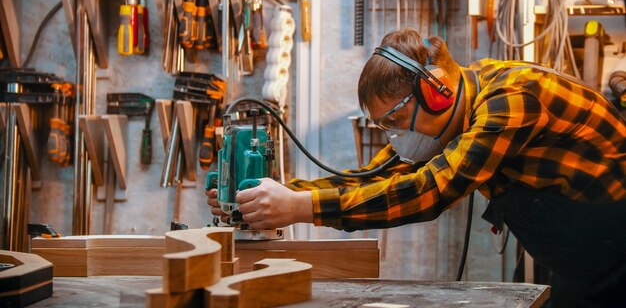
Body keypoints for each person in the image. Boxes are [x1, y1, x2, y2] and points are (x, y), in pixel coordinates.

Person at [207, 28, 626, 307]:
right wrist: (271, 194)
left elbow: (431, 190)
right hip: (571, 252)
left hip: (614, 254)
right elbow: (372, 177)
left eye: (393, 121)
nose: (393, 137)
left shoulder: (512, 101)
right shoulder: (455, 104)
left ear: (435, 92)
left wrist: (301, 208)